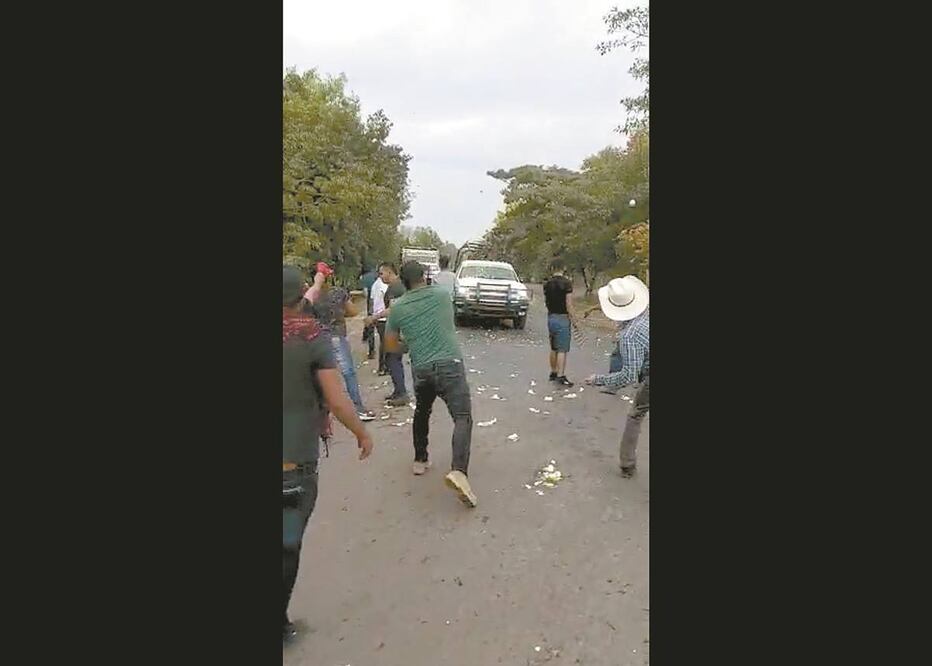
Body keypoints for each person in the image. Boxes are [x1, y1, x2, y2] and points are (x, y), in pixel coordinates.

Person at [282, 266, 374, 644]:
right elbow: (337, 399)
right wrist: (361, 432)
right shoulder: (310, 336)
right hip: (291, 465)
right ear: (300, 294)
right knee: (287, 544)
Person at [385, 261, 477, 507]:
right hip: (449, 364)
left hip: (422, 368)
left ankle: (420, 459)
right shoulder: (442, 296)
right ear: (425, 276)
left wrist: (410, 345)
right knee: (462, 417)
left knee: (422, 411)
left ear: (402, 281)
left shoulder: (398, 308)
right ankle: (459, 471)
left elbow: (391, 346)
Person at [584, 275, 649, 478]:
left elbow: (629, 375)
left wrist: (599, 380)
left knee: (635, 415)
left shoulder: (630, 336)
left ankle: (627, 464)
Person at [305, 263, 376, 421]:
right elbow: (353, 311)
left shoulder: (308, 295)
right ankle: (358, 409)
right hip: (336, 336)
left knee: (318, 375)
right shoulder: (338, 292)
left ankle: (320, 411)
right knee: (348, 373)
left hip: (315, 338)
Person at [366, 262, 409, 406]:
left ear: (390, 272)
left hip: (395, 329)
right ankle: (398, 390)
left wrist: (374, 317)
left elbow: (393, 310)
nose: (380, 276)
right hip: (396, 327)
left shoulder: (396, 288)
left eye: (382, 273)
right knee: (392, 359)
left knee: (392, 359)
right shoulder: (396, 286)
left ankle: (401, 393)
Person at [542, 258, 578, 386]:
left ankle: (553, 371)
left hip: (551, 317)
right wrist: (574, 320)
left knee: (554, 347)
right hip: (562, 317)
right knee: (562, 349)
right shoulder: (567, 284)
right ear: (563, 268)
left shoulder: (547, 283)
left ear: (552, 268)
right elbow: (569, 304)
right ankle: (561, 375)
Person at [370, 270, 389, 375]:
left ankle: (384, 366)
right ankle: (383, 366)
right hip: (383, 316)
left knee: (384, 342)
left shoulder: (375, 285)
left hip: (378, 316)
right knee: (386, 343)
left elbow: (372, 300)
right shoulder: (383, 285)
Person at [359, 265, 378, 360]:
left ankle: (371, 351)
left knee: (370, 324)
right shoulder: (378, 275)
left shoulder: (364, 278)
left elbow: (365, 293)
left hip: (371, 301)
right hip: (383, 301)